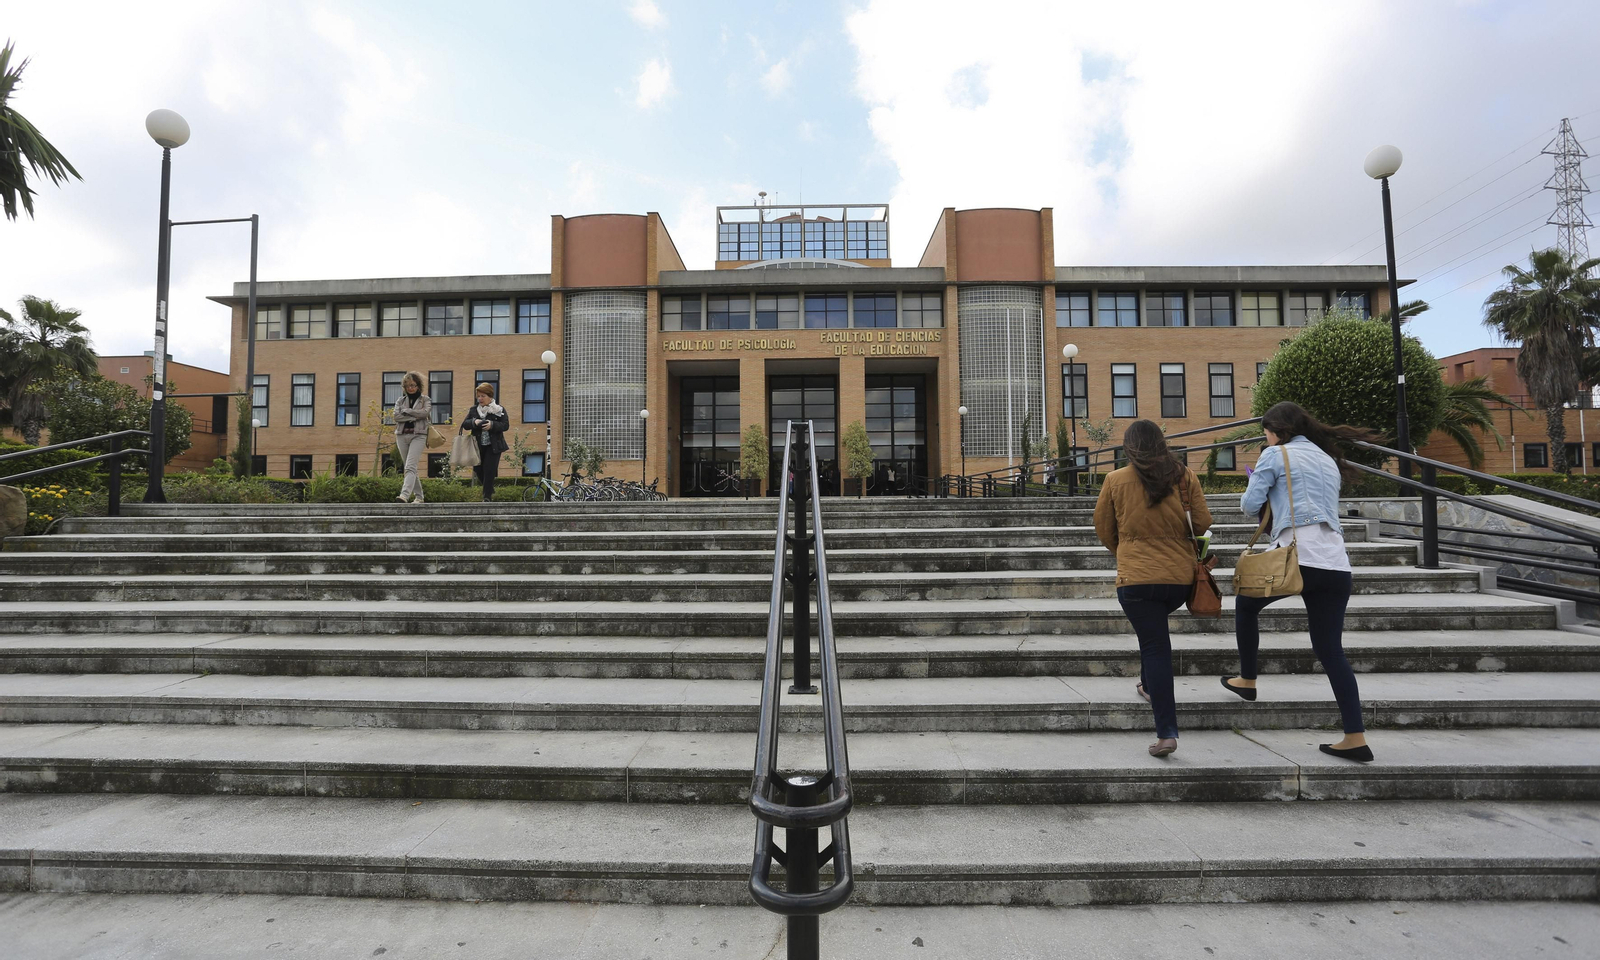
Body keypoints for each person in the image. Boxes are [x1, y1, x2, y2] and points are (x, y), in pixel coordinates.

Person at [1222, 401, 1379, 763]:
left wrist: (1258, 480)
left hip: (1297, 557)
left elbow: (1249, 505)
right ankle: (1355, 737)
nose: (1266, 438)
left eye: (1266, 432)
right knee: (1331, 651)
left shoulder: (1275, 455)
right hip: (1336, 564)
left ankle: (1247, 679)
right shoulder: (1327, 459)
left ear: (1277, 430)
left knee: (1246, 604)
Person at [1093, 419, 1212, 757]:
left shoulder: (1115, 479)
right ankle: (1147, 685)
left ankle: (1167, 733)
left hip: (1137, 580)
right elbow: (1202, 523)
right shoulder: (1184, 475)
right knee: (1153, 638)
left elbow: (1103, 528)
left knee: (1155, 646)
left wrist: (1127, 553)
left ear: (1130, 448)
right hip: (1178, 580)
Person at [461, 381, 510, 502]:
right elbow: (465, 424)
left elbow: (505, 425)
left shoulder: (499, 409)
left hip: (493, 446)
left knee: (489, 470)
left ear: (490, 396)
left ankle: (487, 496)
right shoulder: (474, 410)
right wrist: (475, 422)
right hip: (478, 446)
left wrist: (492, 425)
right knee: (478, 469)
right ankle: (490, 489)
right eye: (478, 396)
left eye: (483, 396)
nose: (480, 399)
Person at [391, 371, 431, 504]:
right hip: (401, 435)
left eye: (413, 385)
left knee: (410, 467)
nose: (410, 388)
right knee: (410, 468)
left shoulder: (425, 400)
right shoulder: (400, 400)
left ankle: (404, 495)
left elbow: (425, 413)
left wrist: (407, 411)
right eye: (407, 386)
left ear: (418, 386)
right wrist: (415, 416)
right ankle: (419, 497)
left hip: (418, 435)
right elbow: (396, 416)